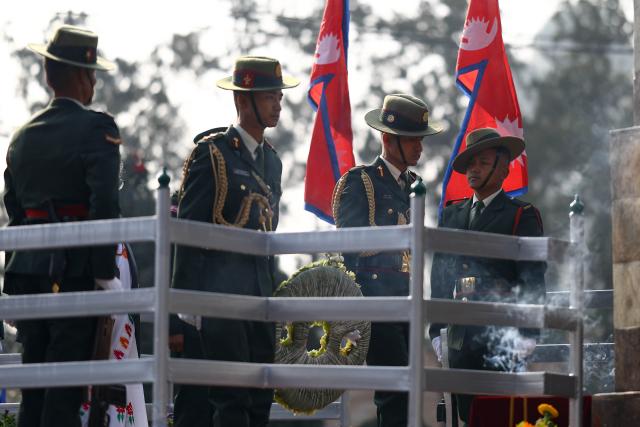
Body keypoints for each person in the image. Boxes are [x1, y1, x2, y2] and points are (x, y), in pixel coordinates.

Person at [3, 25, 122, 427]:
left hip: (28, 274)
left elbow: (15, 210)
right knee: (66, 388)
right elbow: (104, 203)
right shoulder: (96, 129)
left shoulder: (21, 137)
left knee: (34, 386)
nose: (93, 84)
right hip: (74, 273)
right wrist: (104, 272)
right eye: (92, 75)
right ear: (80, 76)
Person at [172, 56, 298, 427]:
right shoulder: (212, 154)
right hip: (218, 293)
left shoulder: (272, 162)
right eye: (269, 96)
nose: (277, 104)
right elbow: (188, 232)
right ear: (244, 101)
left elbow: (267, 238)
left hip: (258, 294)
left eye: (279, 96)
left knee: (260, 394)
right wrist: (183, 307)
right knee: (231, 399)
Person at [332, 94, 442, 427]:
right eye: (411, 139)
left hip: (406, 302)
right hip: (375, 303)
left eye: (420, 139)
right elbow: (350, 248)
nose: (419, 147)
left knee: (410, 390)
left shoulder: (414, 187)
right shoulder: (361, 181)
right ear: (387, 138)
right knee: (396, 392)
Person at [429, 127, 546, 426]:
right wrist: (436, 330)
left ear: (503, 167)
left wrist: (529, 332)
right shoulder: (452, 215)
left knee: (500, 414)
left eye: (482, 162)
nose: (473, 170)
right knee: (466, 415)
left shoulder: (521, 215)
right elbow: (441, 274)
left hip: (501, 333)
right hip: (460, 334)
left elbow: (532, 278)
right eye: (470, 164)